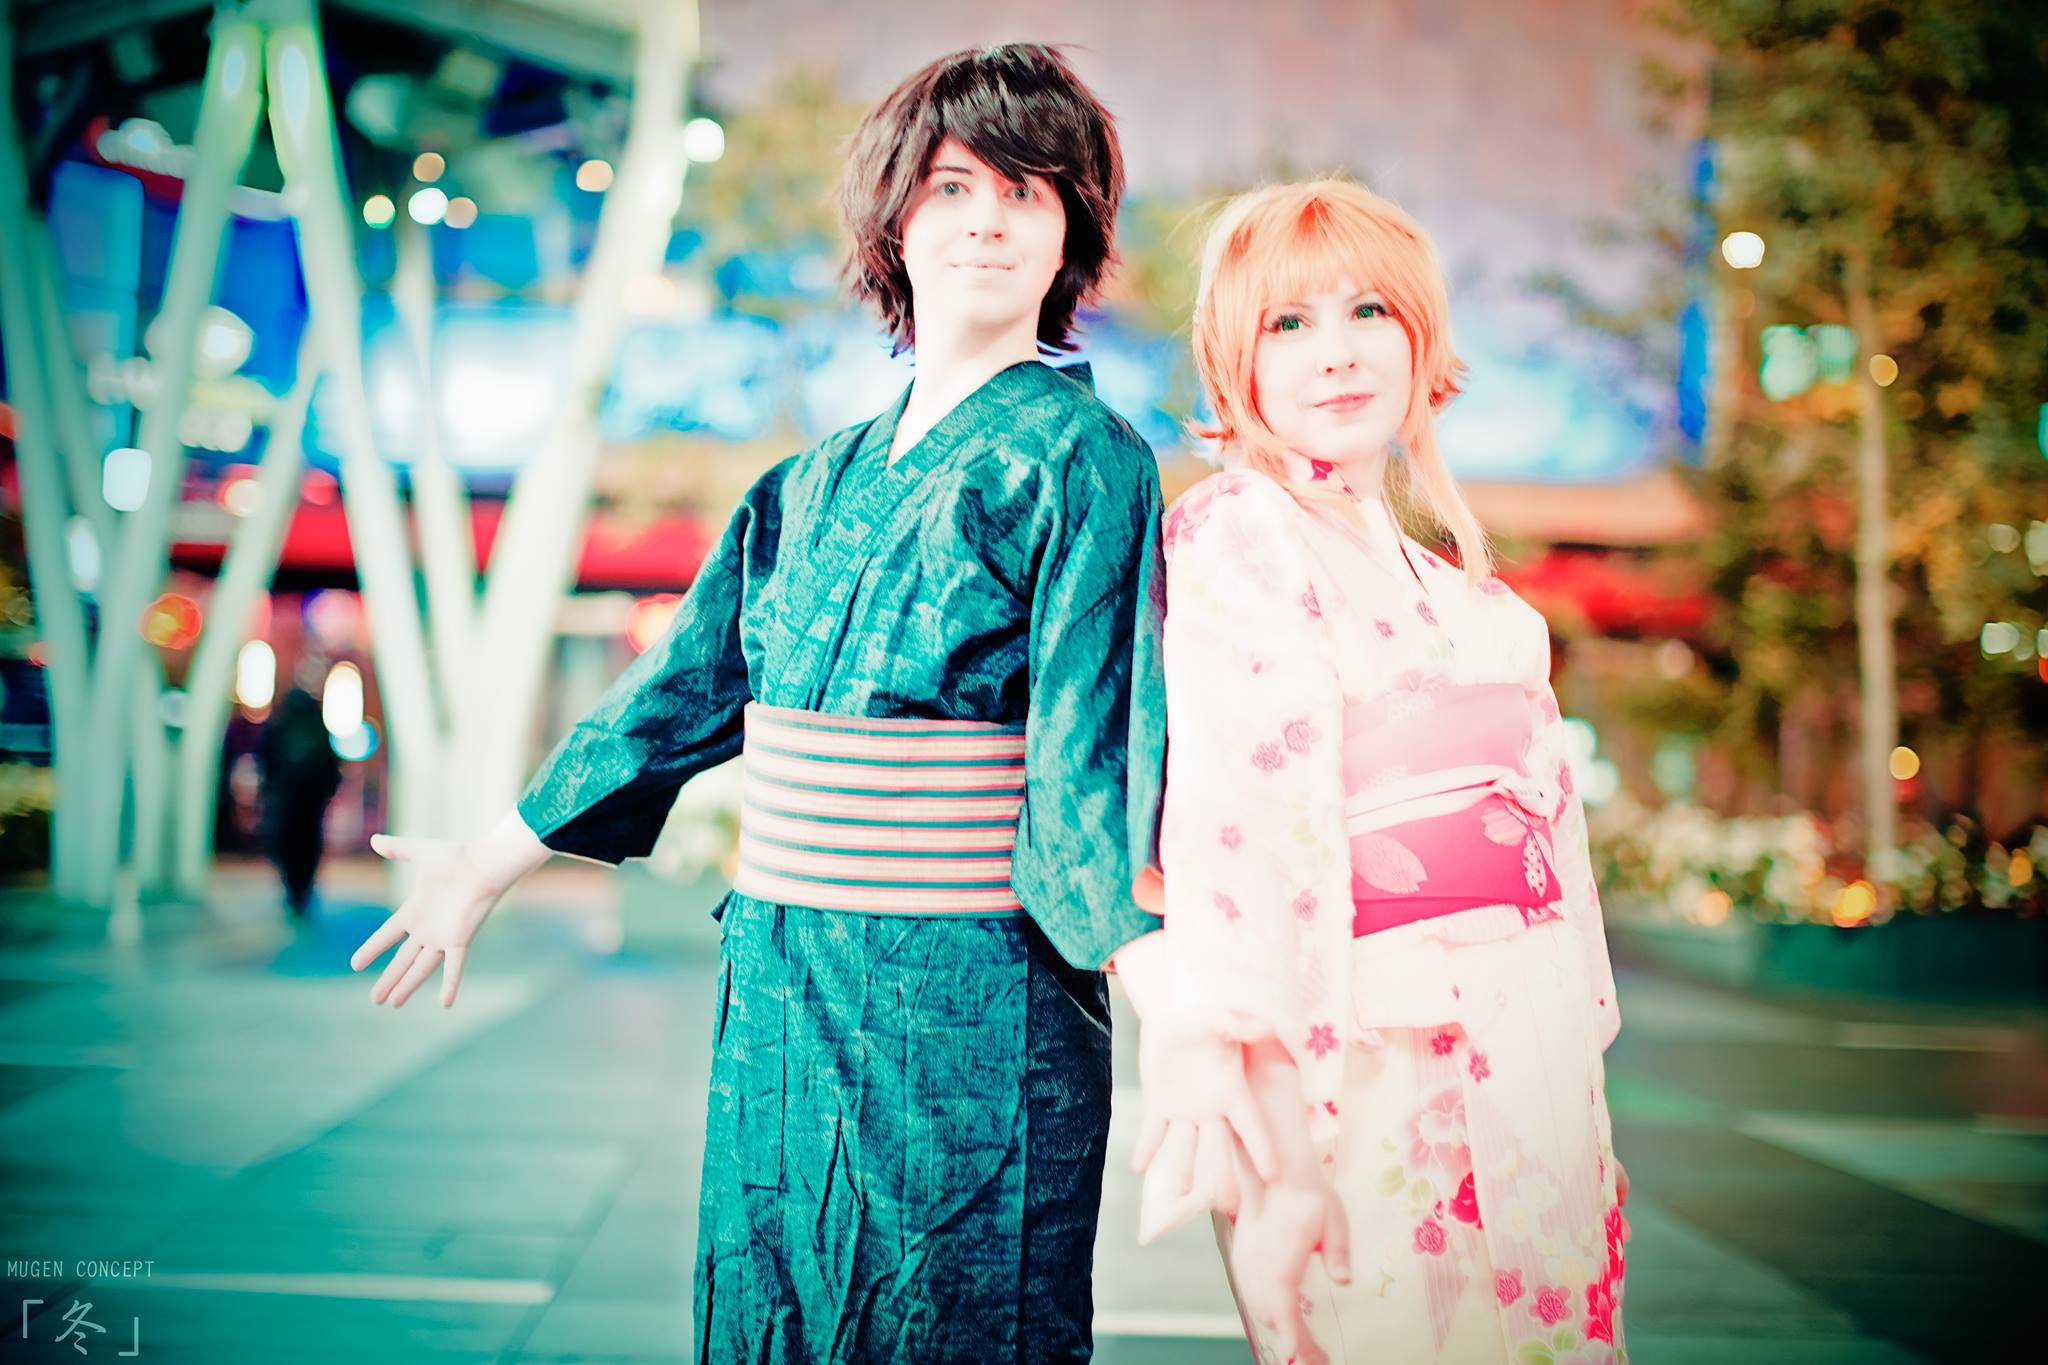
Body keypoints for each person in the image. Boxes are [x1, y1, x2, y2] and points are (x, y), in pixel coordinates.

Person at [347, 43, 1257, 1363]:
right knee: (768, 1307)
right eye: (952, 187)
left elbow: (1083, 764)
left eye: (1026, 190)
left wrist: (1175, 1010)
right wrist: (487, 862)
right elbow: (678, 694)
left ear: (1072, 230)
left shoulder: (1086, 459)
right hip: (782, 977)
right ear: (895, 219)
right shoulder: (807, 483)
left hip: (970, 999)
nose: (987, 219)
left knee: (960, 1313)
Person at [1133, 179, 1629, 1364]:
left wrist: (1574, 1074)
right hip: (1361, 1058)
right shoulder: (1238, 533)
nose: (1336, 353)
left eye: (1369, 312)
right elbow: (1242, 835)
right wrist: (1284, 1151)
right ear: (1233, 360)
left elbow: (1554, 871)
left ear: (1419, 337)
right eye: (1286, 323)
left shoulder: (1472, 601)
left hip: (1529, 1041)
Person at [257, 684, 343, 917]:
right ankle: (301, 891)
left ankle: (293, 890)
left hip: (287, 803)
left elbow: (265, 763)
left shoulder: (278, 727)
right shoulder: (317, 729)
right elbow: (332, 767)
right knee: (307, 848)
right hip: (311, 806)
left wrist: (270, 790)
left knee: (287, 846)